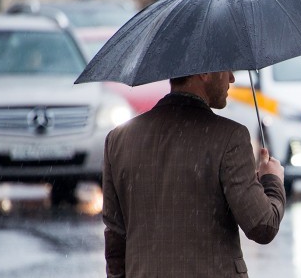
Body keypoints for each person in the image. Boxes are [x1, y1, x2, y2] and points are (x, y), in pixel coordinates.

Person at [102, 70, 286, 277]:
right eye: (227, 70)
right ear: (205, 73)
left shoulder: (119, 140)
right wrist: (272, 179)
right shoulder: (229, 137)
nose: (232, 78)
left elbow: (115, 240)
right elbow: (262, 226)